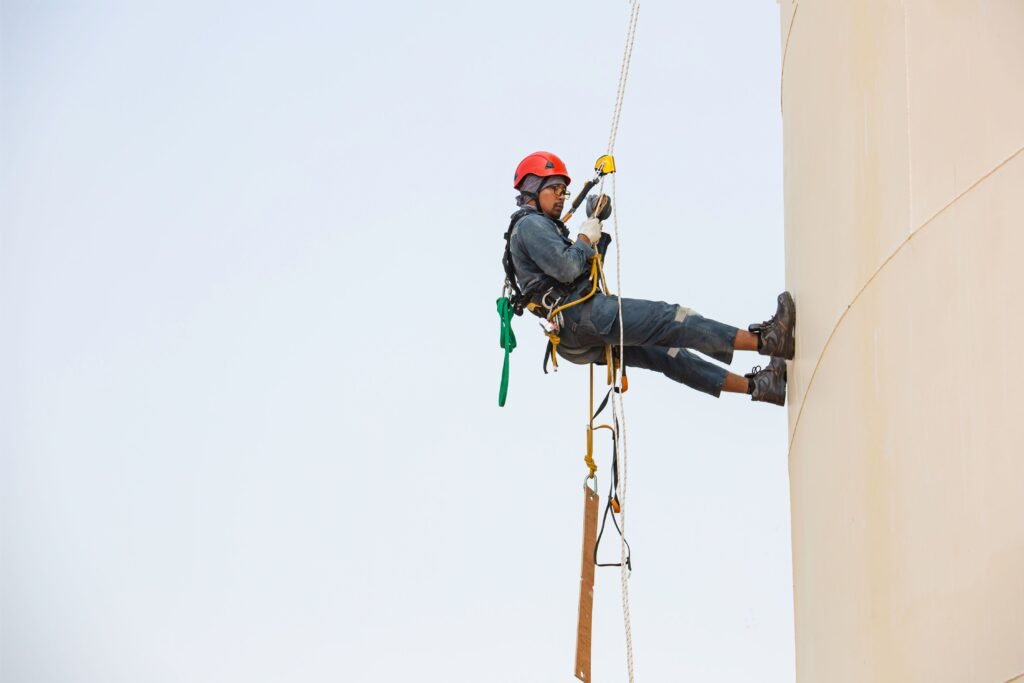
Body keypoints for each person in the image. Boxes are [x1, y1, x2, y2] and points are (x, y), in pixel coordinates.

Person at [504, 151, 794, 406]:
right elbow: (568, 268)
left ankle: (761, 387)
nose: (560, 196)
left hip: (576, 329)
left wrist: (596, 227)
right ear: (533, 189)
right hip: (582, 316)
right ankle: (767, 340)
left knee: (667, 355)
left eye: (564, 191)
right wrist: (582, 237)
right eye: (554, 188)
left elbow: (584, 274)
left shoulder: (544, 229)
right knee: (672, 319)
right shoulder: (531, 224)